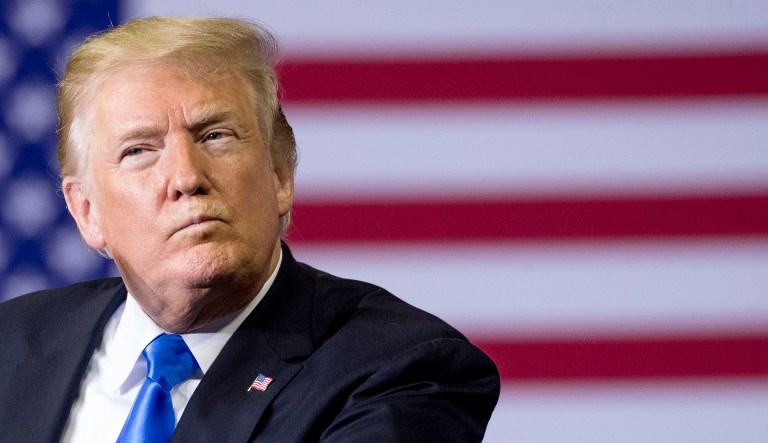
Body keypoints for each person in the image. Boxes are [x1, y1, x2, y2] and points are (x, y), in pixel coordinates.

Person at [0, 16, 499, 442]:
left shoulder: (400, 370)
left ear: (281, 175)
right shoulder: (10, 346)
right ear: (86, 210)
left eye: (216, 136)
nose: (186, 178)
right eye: (139, 150)